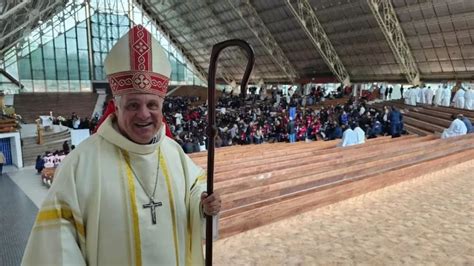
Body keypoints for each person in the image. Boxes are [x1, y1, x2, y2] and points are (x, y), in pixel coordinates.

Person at [22, 25, 221, 266]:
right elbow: (57, 246)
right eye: (133, 105)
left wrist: (203, 205)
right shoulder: (80, 163)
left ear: (162, 108)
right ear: (116, 107)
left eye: (152, 105)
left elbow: (195, 188)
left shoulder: (173, 152)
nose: (144, 114)